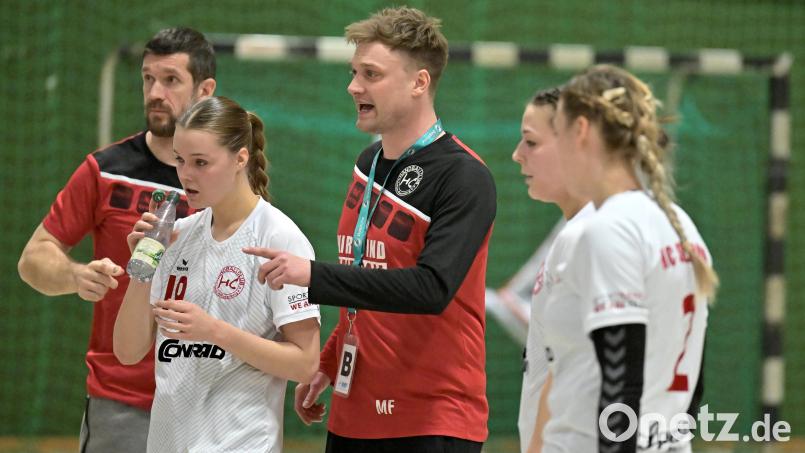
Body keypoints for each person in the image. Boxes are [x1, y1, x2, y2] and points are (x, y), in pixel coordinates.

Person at [243, 6, 496, 453]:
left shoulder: (464, 176)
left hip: (431, 418)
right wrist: (329, 360)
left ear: (419, 82)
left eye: (371, 74)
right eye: (354, 72)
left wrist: (313, 275)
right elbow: (370, 275)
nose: (354, 86)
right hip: (354, 411)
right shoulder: (368, 164)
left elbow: (430, 289)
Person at [16, 27, 216, 452]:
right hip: (121, 402)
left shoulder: (226, 181)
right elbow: (34, 258)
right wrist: (75, 277)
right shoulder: (105, 171)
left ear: (205, 90)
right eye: (148, 79)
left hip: (205, 401)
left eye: (171, 80)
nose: (155, 93)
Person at [113, 96, 320, 452]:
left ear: (240, 158)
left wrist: (214, 331)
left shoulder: (278, 238)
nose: (186, 174)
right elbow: (127, 351)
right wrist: (142, 270)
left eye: (201, 162)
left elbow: (305, 363)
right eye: (180, 160)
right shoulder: (177, 235)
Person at [543, 64, 718, 452]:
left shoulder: (610, 230)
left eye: (557, 132)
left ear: (581, 130)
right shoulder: (680, 225)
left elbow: (622, 383)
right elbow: (694, 380)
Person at [511, 87, 593, 453]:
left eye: (531, 142)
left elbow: (567, 370)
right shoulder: (576, 234)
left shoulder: (588, 239)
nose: (517, 154)